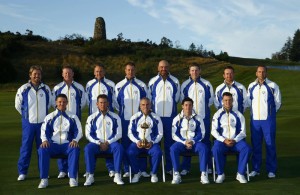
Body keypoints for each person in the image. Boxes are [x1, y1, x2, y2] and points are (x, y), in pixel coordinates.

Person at [15, 65, 53, 181]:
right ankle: (22, 172)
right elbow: (18, 105)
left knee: (42, 149)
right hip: (29, 124)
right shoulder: (24, 88)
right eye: (34, 74)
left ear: (41, 75)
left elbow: (50, 104)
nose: (37, 76)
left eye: (39, 74)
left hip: (42, 124)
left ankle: (44, 172)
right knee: (26, 148)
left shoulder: (46, 89)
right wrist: (27, 117)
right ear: (30, 75)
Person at [37, 94, 83, 188]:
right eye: (59, 102)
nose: (62, 103)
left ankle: (73, 178)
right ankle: (44, 179)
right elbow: (44, 130)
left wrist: (75, 140)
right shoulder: (49, 117)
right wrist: (45, 140)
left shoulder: (73, 117)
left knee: (74, 149)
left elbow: (79, 131)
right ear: (56, 103)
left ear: (67, 103)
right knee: (42, 149)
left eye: (64, 102)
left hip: (67, 144)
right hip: (53, 145)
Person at [115, 62, 149, 178]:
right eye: (128, 70)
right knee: (125, 144)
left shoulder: (142, 85)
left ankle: (142, 169)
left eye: (132, 70)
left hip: (140, 120)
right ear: (125, 71)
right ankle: (126, 169)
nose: (130, 72)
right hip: (124, 119)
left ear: (135, 71)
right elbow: (116, 104)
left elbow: (146, 100)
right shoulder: (119, 85)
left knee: (142, 141)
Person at [247, 65, 281, 178]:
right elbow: (248, 102)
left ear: (266, 73)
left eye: (263, 72)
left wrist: (270, 114)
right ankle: (256, 169)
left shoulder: (273, 86)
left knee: (270, 144)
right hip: (255, 120)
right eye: (259, 72)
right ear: (256, 73)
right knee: (256, 145)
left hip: (268, 121)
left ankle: (271, 169)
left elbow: (278, 103)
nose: (261, 74)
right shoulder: (251, 86)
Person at [52, 65, 86, 178]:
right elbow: (54, 103)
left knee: (74, 144)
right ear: (62, 74)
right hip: (61, 120)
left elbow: (83, 103)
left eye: (69, 73)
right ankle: (62, 169)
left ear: (73, 74)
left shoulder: (79, 87)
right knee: (61, 142)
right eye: (65, 73)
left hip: (74, 120)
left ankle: (73, 169)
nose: (67, 75)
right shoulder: (57, 88)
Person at [180, 63, 214, 175]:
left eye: (196, 70)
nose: (194, 72)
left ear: (200, 71)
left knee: (205, 142)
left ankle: (207, 166)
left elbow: (210, 101)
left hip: (203, 119)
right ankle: (186, 167)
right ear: (189, 72)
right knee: (188, 141)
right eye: (192, 70)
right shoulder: (185, 85)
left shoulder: (206, 84)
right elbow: (183, 101)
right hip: (188, 119)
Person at [84, 94, 124, 186]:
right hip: (96, 145)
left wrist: (107, 142)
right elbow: (88, 134)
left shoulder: (115, 117)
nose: (103, 104)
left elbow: (118, 133)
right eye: (101, 103)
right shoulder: (91, 118)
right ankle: (90, 175)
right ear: (97, 104)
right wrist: (99, 143)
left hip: (111, 144)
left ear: (108, 104)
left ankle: (117, 175)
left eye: (105, 102)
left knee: (119, 147)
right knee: (88, 148)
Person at [148, 60, 180, 174]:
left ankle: (169, 168)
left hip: (170, 118)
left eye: (166, 67)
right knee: (154, 143)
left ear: (169, 67)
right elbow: (149, 99)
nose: (163, 69)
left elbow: (177, 99)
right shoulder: (152, 81)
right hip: (156, 118)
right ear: (158, 68)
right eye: (161, 67)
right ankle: (154, 169)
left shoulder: (175, 81)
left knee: (169, 144)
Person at [211, 92, 251, 184]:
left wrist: (234, 140)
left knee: (246, 148)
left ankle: (240, 173)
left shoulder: (238, 114)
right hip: (222, 142)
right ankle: (220, 174)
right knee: (215, 149)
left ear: (232, 101)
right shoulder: (217, 114)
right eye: (225, 100)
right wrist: (224, 140)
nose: (227, 102)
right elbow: (213, 131)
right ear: (222, 101)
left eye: (229, 100)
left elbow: (243, 132)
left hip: (236, 141)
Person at [85, 63, 116, 177]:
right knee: (93, 145)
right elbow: (87, 101)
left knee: (109, 142)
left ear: (104, 72)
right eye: (97, 71)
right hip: (94, 119)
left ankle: (111, 169)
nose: (99, 73)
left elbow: (115, 101)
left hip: (108, 117)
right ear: (94, 73)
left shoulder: (110, 84)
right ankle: (90, 170)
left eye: (101, 71)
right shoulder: (89, 84)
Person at [170, 97, 209, 184]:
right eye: (186, 105)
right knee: (173, 148)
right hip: (182, 143)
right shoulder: (177, 119)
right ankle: (176, 174)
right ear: (182, 106)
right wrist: (185, 141)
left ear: (192, 106)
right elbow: (174, 134)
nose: (188, 107)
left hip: (195, 143)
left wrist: (193, 141)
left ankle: (203, 174)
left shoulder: (198, 118)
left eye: (190, 105)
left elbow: (201, 133)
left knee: (204, 148)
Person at [127, 97, 163, 183]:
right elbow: (130, 133)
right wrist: (137, 141)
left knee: (158, 152)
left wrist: (152, 142)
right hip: (138, 144)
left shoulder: (156, 118)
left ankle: (153, 173)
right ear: (140, 106)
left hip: (151, 144)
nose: (145, 107)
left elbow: (160, 133)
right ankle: (137, 173)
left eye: (147, 104)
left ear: (150, 105)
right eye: (143, 105)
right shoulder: (134, 117)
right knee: (129, 152)